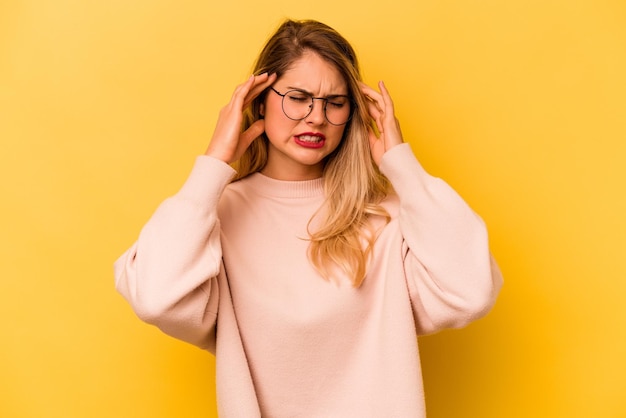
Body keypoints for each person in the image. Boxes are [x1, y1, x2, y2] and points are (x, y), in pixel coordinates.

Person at [114, 18, 503, 418]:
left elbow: (472, 291)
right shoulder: (215, 216)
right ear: (259, 100)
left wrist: (402, 166)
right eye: (298, 97)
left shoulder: (388, 217)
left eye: (335, 103)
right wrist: (212, 165)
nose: (316, 117)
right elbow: (156, 298)